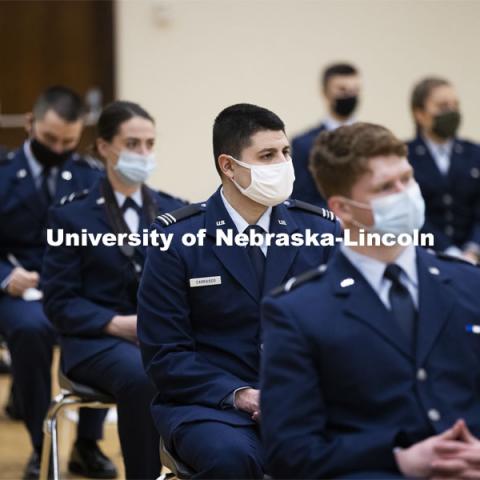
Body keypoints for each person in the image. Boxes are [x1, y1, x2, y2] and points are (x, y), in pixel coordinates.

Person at [261, 122, 480, 479]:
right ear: (343, 209)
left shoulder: (470, 283)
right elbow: (291, 452)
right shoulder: (298, 312)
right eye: (385, 188)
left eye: (407, 180)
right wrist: (399, 459)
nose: (405, 194)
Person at [137, 103, 341, 479]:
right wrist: (242, 395)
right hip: (213, 407)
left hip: (306, 401)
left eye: (285, 153)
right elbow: (166, 354)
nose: (282, 165)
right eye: (267, 156)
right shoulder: (177, 240)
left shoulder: (321, 231)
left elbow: (344, 330)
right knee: (233, 460)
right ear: (228, 166)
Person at [42, 100, 186, 479]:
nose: (143, 154)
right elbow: (58, 302)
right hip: (93, 340)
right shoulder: (70, 215)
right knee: (144, 377)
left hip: (156, 336)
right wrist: (115, 323)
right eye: (132, 144)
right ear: (104, 147)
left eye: (150, 144)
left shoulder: (175, 211)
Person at [0, 86, 115, 479]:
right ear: (31, 124)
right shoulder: (2, 174)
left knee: (103, 321)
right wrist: (5, 276)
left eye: (69, 141)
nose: (59, 148)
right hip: (17, 291)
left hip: (71, 287)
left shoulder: (90, 177)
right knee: (32, 329)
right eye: (50, 139)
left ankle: (88, 443)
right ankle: (40, 443)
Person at [407, 76, 480, 262]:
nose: (451, 111)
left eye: (455, 105)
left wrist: (473, 250)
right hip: (425, 256)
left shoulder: (474, 153)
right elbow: (409, 211)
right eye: (442, 106)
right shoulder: (404, 156)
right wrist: (449, 252)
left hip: (474, 257)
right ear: (420, 113)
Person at [291, 62, 361, 206]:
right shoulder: (304, 144)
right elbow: (303, 199)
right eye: (342, 89)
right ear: (325, 92)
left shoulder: (373, 139)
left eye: (355, 90)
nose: (349, 95)